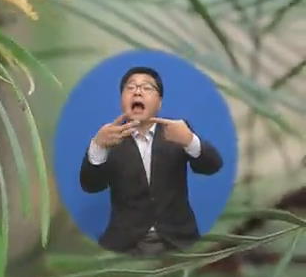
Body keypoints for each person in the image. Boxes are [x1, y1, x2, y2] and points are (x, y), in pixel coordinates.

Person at [79, 66, 224, 255]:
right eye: (130, 88)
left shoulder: (177, 131)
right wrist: (98, 147)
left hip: (179, 240)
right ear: (122, 100)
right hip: (126, 243)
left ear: (160, 103)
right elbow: (91, 186)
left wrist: (190, 140)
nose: (137, 91)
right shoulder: (109, 137)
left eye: (147, 88)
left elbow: (213, 166)